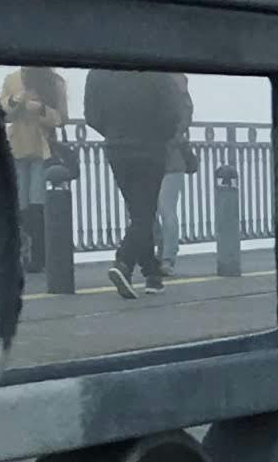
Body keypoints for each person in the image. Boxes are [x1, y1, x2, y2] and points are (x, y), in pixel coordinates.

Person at [80, 64, 195, 295]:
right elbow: (173, 114)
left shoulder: (98, 72)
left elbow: (91, 116)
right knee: (144, 214)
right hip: (150, 149)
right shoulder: (155, 71)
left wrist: (113, 132)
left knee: (139, 213)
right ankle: (123, 262)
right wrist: (159, 136)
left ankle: (151, 274)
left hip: (117, 149)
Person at [0, 63, 69, 279]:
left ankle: (39, 254)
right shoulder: (12, 79)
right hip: (18, 147)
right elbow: (2, 112)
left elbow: (61, 118)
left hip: (42, 148)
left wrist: (40, 110)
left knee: (38, 202)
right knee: (21, 204)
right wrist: (15, 101)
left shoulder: (55, 82)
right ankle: (27, 252)